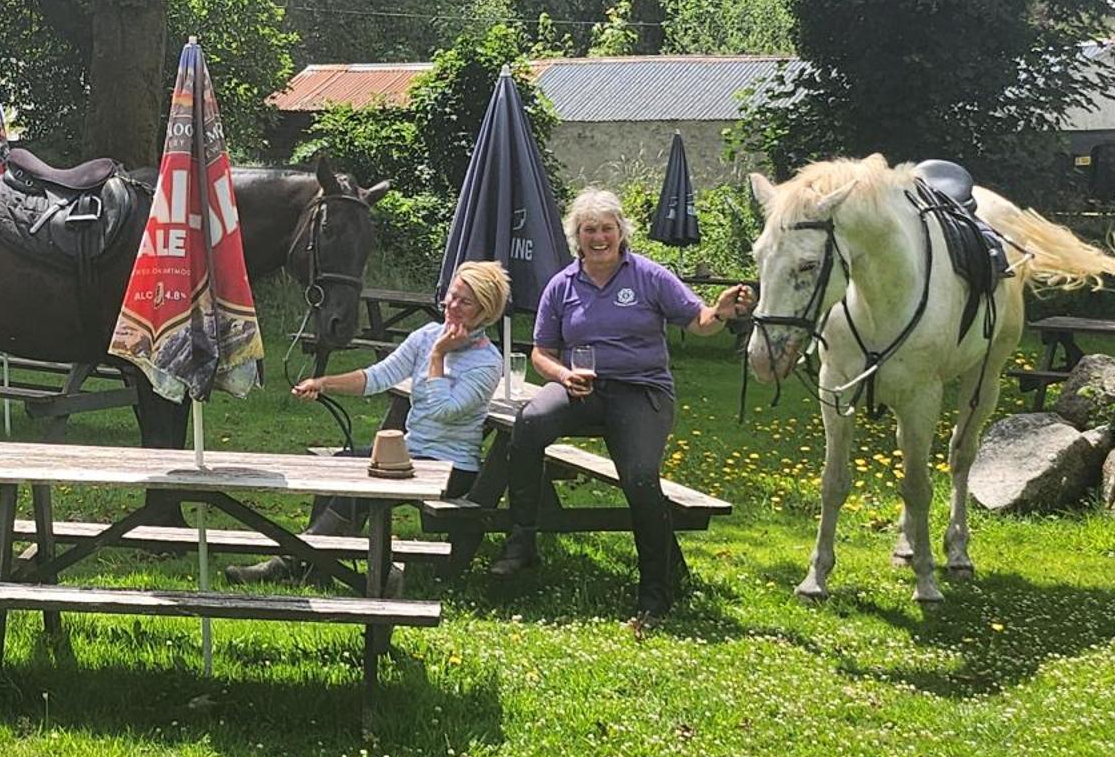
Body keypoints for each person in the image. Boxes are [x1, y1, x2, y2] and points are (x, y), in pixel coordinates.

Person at [483, 186, 749, 626]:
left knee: (640, 479)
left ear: (621, 231)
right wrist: (563, 375)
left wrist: (719, 312)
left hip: (642, 391)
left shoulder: (649, 276)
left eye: (607, 228)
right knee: (528, 423)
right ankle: (523, 539)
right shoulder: (561, 285)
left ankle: (655, 592)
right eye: (589, 230)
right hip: (582, 388)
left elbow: (698, 322)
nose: (599, 237)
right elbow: (541, 352)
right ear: (578, 236)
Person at [225, 261, 509, 586]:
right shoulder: (427, 335)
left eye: (464, 301)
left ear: (484, 311)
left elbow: (444, 410)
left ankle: (290, 560)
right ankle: (318, 571)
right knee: (340, 467)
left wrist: (437, 358)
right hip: (411, 455)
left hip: (452, 468)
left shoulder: (487, 362)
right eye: (451, 296)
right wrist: (324, 382)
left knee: (362, 488)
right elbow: (379, 376)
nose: (451, 305)